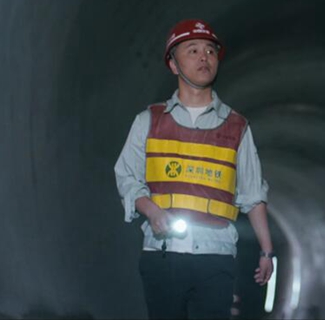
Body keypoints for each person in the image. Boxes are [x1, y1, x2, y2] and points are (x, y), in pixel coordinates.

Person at [114, 19, 274, 319]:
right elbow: (127, 177)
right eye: (193, 50)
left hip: (216, 257)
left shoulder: (237, 127)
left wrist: (267, 251)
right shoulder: (149, 121)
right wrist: (152, 211)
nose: (204, 57)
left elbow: (253, 194)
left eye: (210, 51)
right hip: (162, 254)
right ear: (173, 64)